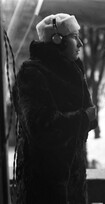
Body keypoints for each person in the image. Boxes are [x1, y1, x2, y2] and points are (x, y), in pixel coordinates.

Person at [12, 13, 98, 204]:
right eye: (75, 38)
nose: (81, 44)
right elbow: (41, 127)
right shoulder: (32, 74)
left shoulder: (73, 69)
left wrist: (86, 119)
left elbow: (90, 118)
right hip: (45, 184)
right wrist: (83, 119)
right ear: (57, 40)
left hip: (73, 180)